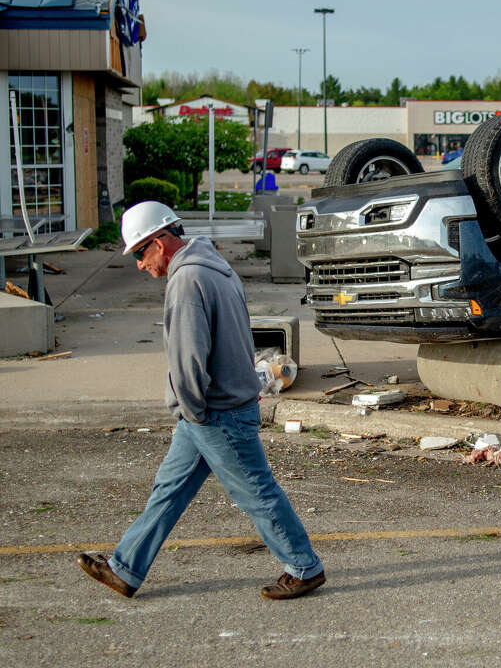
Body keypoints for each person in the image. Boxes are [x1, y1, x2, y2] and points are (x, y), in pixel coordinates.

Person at [76, 201, 325, 600]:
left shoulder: (187, 279)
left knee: (256, 492)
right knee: (169, 489)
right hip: (216, 407)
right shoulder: (212, 266)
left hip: (213, 411)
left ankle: (304, 566)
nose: (141, 265)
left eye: (141, 253)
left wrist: (190, 410)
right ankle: (126, 568)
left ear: (160, 242)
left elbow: (189, 357)